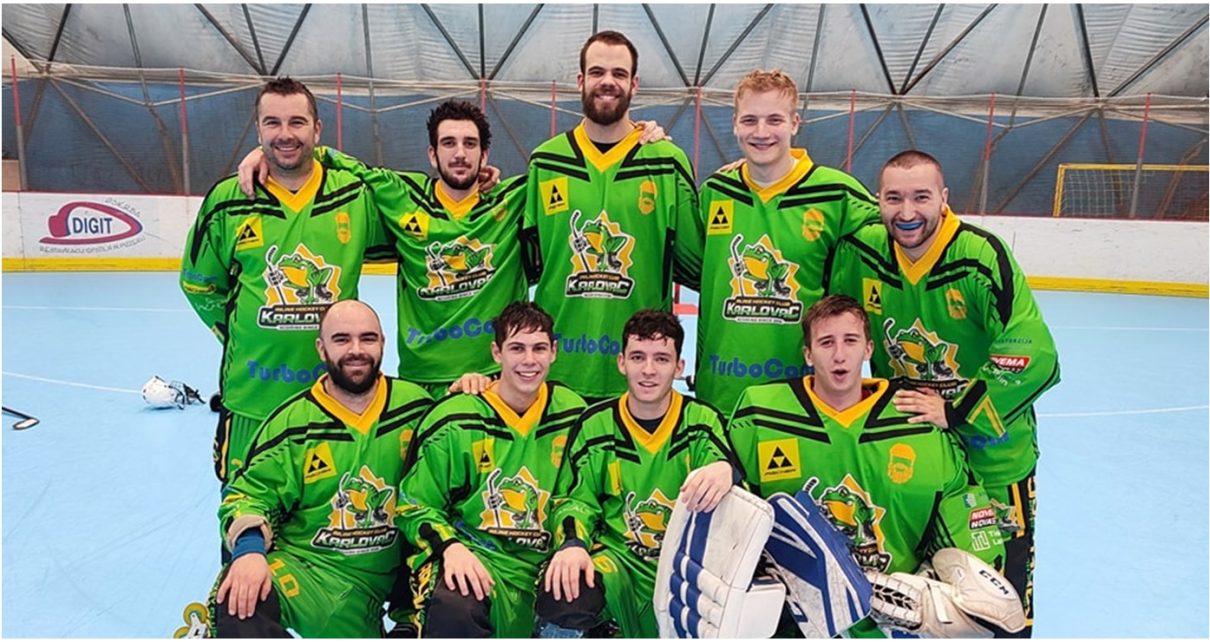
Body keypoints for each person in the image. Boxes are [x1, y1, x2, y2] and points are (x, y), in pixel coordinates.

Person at [824, 150, 1060, 636]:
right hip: (911, 457)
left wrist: (955, 409)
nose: (907, 212)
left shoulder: (978, 256)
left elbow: (1032, 351)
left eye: (921, 197)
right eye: (893, 198)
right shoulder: (863, 251)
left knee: (1001, 603)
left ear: (944, 198)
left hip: (993, 462)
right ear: (877, 200)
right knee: (915, 600)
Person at [727, 295, 1016, 637]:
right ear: (808, 354)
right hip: (793, 621)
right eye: (826, 343)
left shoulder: (917, 422)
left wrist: (965, 593)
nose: (839, 355)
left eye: (850, 341)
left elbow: (962, 514)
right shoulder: (760, 415)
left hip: (893, 622)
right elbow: (733, 517)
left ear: (868, 349)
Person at [181, 77, 393, 485]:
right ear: (258, 130)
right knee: (246, 512)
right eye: (272, 123)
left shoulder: (354, 196)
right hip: (252, 403)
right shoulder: (227, 201)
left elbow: (422, 223)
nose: (285, 134)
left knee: (326, 510)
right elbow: (198, 284)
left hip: (334, 401)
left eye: (297, 122)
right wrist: (237, 334)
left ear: (317, 130)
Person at [206, 300, 432, 637]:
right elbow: (249, 495)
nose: (356, 350)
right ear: (321, 347)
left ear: (383, 342)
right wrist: (250, 552)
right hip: (312, 573)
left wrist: (475, 388)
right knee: (238, 600)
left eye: (367, 338)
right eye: (341, 339)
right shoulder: (292, 424)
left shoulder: (417, 406)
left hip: (396, 576)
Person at [687, 69, 881, 415]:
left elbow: (903, 226)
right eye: (750, 120)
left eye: (774, 120)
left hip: (801, 402)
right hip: (719, 399)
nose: (761, 132)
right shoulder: (715, 191)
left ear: (794, 123)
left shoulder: (836, 193)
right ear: (735, 124)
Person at [523, 30, 701, 403]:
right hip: (559, 375)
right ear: (580, 80)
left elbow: (701, 267)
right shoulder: (545, 161)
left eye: (619, 73)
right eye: (597, 72)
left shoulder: (667, 162)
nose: (608, 81)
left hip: (640, 379)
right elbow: (524, 266)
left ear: (634, 84)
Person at [535, 310, 736, 638]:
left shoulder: (702, 422)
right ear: (621, 362)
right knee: (564, 589)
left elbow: (733, 489)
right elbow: (575, 501)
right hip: (618, 564)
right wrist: (572, 543)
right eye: (638, 357)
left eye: (661, 359)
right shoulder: (596, 424)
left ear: (679, 367)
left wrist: (726, 470)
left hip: (687, 568)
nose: (648, 370)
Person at [395, 302, 587, 637]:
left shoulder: (573, 413)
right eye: (517, 348)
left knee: (584, 590)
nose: (529, 360)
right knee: (453, 605)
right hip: (475, 553)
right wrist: (451, 548)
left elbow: (582, 496)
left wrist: (572, 542)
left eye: (539, 348)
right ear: (496, 353)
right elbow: (414, 505)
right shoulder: (456, 417)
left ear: (554, 352)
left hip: (542, 559)